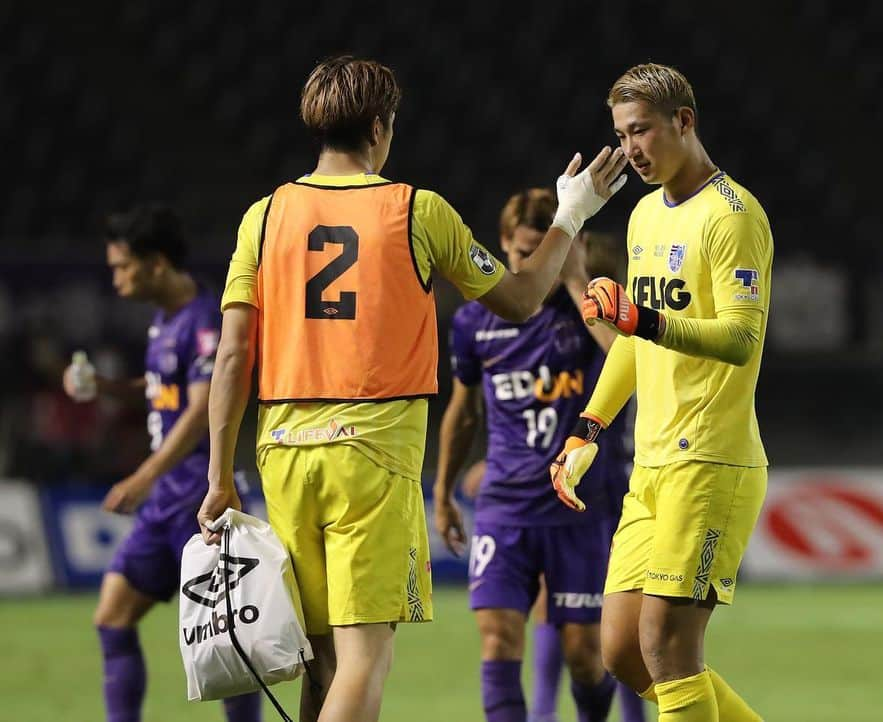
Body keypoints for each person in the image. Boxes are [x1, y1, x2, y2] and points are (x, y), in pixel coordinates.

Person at [196, 55, 627, 722]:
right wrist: (571, 215)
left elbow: (231, 357)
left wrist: (221, 476)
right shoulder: (415, 210)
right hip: (369, 453)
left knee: (320, 660)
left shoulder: (264, 215)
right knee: (365, 657)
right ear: (377, 128)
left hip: (280, 452)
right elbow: (518, 299)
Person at [550, 63, 773, 722]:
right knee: (621, 651)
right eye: (622, 134)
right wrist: (586, 429)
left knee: (668, 647)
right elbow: (635, 346)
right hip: (652, 464)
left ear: (685, 121)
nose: (632, 148)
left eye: (642, 129)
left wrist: (640, 318)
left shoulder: (733, 216)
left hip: (711, 462)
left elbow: (739, 339)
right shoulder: (645, 216)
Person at [63, 205, 262, 722]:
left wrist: (143, 476)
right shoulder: (164, 321)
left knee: (228, 645)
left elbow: (201, 409)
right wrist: (105, 389)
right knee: (112, 617)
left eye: (122, 266)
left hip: (202, 499)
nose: (116, 277)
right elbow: (161, 393)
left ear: (155, 263)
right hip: (166, 502)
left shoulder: (202, 320)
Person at [434, 190, 622, 722]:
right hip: (504, 507)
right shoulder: (475, 321)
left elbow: (625, 361)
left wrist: (575, 279)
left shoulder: (585, 306)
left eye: (547, 252)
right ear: (503, 248)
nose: (530, 266)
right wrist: (445, 492)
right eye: (521, 255)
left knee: (586, 656)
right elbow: (463, 411)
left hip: (576, 508)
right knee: (497, 640)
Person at [522, 231, 645, 722]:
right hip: (590, 471)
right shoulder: (557, 327)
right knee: (560, 596)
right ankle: (544, 712)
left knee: (622, 606)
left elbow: (622, 352)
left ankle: (559, 712)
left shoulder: (612, 327)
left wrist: (579, 284)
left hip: (618, 474)